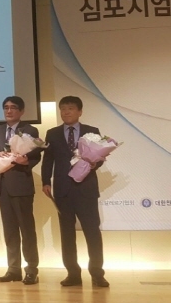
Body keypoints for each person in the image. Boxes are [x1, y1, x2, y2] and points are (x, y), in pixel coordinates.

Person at [42, 96, 109, 288]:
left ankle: (97, 273)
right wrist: (45, 181)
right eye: (63, 108)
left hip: (86, 189)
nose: (66, 112)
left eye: (70, 108)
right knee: (67, 234)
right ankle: (72, 274)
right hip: (63, 190)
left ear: (80, 111)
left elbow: (100, 157)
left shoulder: (92, 131)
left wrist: (94, 164)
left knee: (92, 232)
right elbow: (48, 160)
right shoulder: (52, 133)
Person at [0, 96, 41, 285]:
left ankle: (31, 269)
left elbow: (36, 155)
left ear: (22, 111)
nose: (9, 111)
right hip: (2, 186)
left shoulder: (30, 130)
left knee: (27, 230)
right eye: (6, 107)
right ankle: (13, 269)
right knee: (9, 231)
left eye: (13, 107)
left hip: (21, 186)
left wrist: (25, 161)